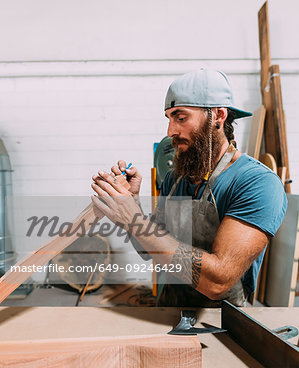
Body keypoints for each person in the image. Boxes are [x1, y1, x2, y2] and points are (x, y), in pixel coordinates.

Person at [91, 69, 287, 307]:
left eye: (180, 117)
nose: (170, 131)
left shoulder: (256, 183)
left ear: (218, 116)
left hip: (222, 324)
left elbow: (219, 282)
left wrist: (134, 220)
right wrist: (132, 205)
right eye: (169, 119)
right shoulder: (177, 179)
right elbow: (149, 250)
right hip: (169, 308)